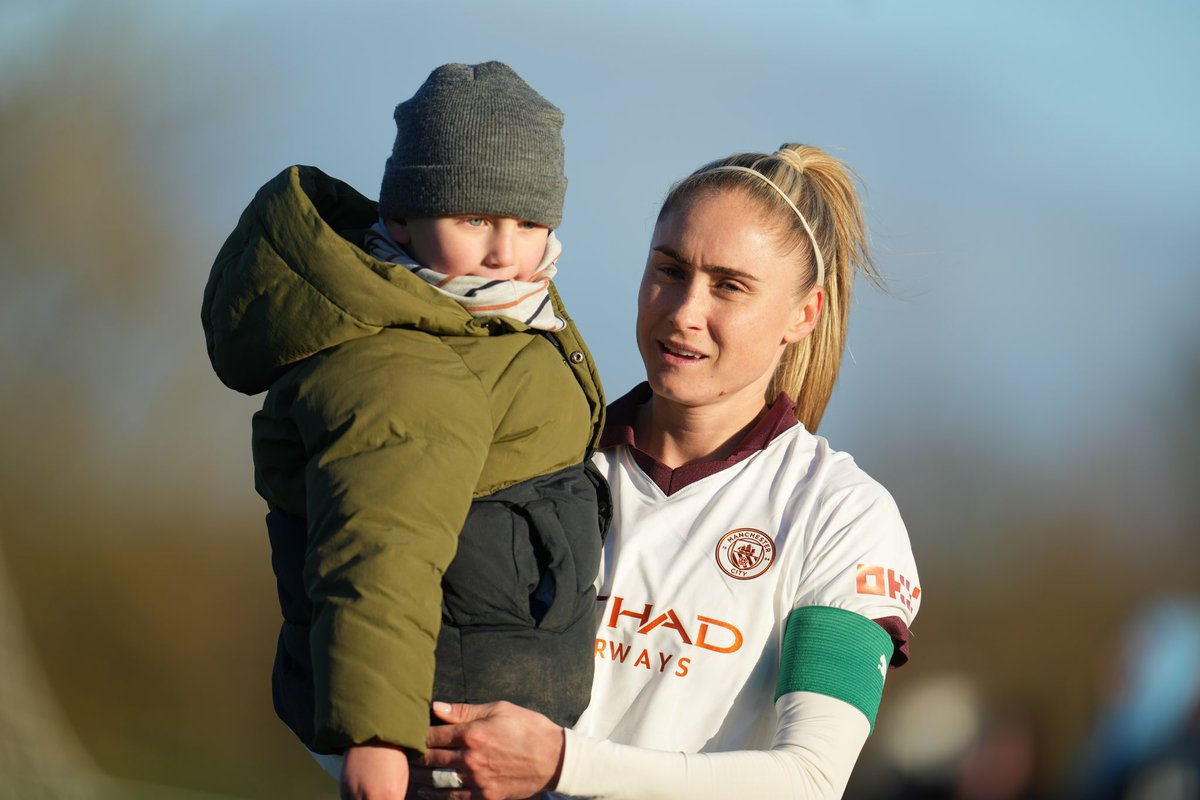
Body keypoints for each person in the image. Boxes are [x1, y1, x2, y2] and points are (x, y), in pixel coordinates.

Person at [417, 143, 922, 800]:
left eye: (730, 286)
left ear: (804, 315)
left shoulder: (840, 512)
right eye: (671, 270)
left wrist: (563, 764)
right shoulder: (539, 456)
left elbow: (810, 778)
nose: (685, 310)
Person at [200, 61, 607, 800]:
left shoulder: (493, 308)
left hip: (494, 714)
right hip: (433, 735)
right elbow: (379, 551)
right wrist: (376, 738)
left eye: (529, 221)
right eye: (474, 218)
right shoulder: (404, 368)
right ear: (401, 220)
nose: (504, 251)